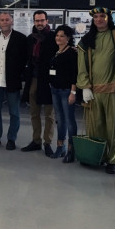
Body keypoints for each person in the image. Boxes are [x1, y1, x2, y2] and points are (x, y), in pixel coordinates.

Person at [77, 7, 115, 173]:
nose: (99, 19)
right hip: (94, 91)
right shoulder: (87, 40)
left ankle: (114, 160)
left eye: (102, 16)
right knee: (96, 126)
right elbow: (82, 64)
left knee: (114, 127)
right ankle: (98, 155)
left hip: (114, 90)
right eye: (96, 17)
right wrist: (84, 87)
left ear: (108, 18)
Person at [0, 11, 28, 150]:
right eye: (2, 20)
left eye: (7, 20)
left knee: (14, 113)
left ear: (12, 21)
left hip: (12, 81)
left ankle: (11, 139)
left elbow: (24, 60)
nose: (4, 22)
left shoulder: (21, 39)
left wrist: (18, 74)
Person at [21, 10, 57, 156]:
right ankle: (36, 141)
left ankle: (47, 142)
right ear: (34, 22)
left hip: (48, 80)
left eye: (42, 20)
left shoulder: (54, 37)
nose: (39, 23)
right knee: (34, 112)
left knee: (49, 114)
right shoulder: (31, 38)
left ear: (47, 21)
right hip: (34, 79)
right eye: (37, 21)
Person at [48, 25, 78, 162]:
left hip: (67, 91)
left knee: (69, 120)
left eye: (62, 36)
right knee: (60, 120)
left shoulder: (72, 53)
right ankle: (61, 147)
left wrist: (73, 92)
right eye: (57, 35)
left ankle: (72, 151)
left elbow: (74, 74)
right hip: (55, 89)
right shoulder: (57, 51)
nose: (58, 38)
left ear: (68, 38)